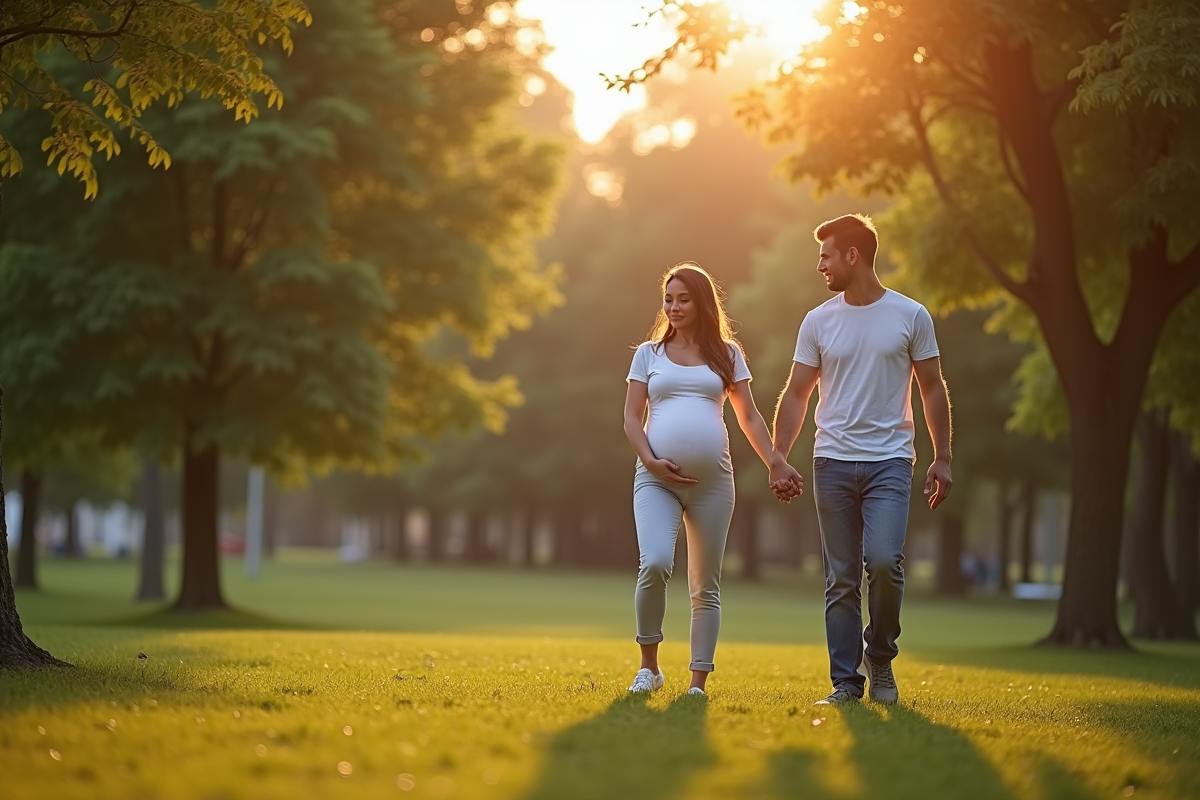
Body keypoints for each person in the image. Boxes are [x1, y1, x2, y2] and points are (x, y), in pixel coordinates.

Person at [770, 214, 952, 706]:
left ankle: (881, 656)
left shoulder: (910, 316)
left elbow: (932, 387)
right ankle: (846, 685)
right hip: (831, 461)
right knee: (842, 579)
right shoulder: (818, 320)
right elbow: (796, 393)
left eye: (827, 255)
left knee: (886, 563)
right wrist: (777, 456)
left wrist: (943, 456)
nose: (820, 265)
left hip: (890, 461)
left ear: (854, 256)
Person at [623, 262, 802, 696]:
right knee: (656, 564)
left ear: (702, 302)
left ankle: (698, 683)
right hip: (656, 480)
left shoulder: (728, 355)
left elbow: (749, 416)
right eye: (669, 298)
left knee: (706, 585)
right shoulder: (648, 354)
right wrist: (650, 461)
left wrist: (776, 461)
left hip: (713, 485)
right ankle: (650, 667)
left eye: (683, 299)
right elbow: (631, 417)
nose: (674, 306)